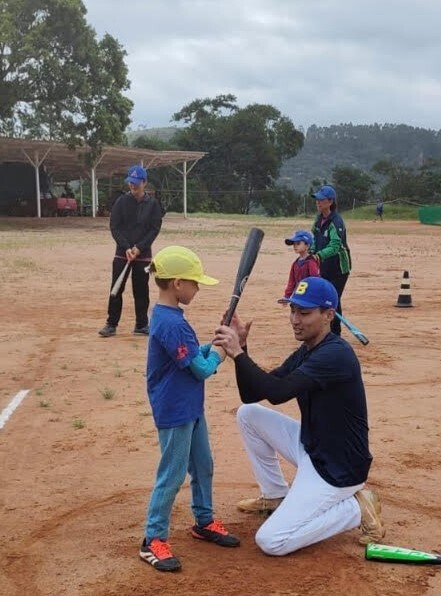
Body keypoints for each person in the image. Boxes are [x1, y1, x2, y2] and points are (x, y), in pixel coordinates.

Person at [213, 276, 384, 557]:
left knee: (271, 541)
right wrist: (243, 349)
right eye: (293, 311)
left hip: (337, 470)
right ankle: (275, 495)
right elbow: (253, 393)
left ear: (328, 315)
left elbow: (278, 393)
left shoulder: (335, 355)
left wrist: (238, 353)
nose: (295, 319)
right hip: (313, 446)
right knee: (249, 414)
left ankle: (356, 509)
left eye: (304, 313)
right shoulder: (307, 351)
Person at [140, 246, 240, 572]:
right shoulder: (170, 324)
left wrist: (219, 341)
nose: (198, 289)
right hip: (175, 410)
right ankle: (152, 540)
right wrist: (223, 355)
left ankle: (204, 520)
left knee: (203, 465)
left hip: (190, 407)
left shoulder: (174, 318)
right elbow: (200, 369)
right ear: (178, 284)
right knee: (171, 475)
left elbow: (194, 355)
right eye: (195, 283)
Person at [98, 165, 162, 337]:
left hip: (143, 255)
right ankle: (111, 324)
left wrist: (139, 248)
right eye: (131, 183)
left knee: (141, 289)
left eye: (137, 183)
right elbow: (115, 227)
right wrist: (126, 247)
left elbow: (154, 229)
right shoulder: (121, 202)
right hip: (122, 253)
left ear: (145, 182)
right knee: (116, 289)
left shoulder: (153, 205)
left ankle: (141, 324)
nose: (133, 186)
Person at [310, 184, 351, 335]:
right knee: (327, 297)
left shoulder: (336, 221)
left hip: (339, 268)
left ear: (330, 202)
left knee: (333, 299)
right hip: (324, 266)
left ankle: (335, 333)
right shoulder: (318, 219)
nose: (318, 203)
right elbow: (314, 237)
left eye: (321, 200)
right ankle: (326, 331)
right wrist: (312, 251)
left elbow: (335, 246)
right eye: (317, 200)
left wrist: (318, 255)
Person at [281, 229, 320, 300]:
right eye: (294, 244)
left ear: (307, 246)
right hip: (298, 295)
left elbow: (315, 281)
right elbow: (291, 281)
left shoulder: (311, 262)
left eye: (298, 243)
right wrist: (287, 296)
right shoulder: (295, 263)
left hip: (309, 296)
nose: (295, 246)